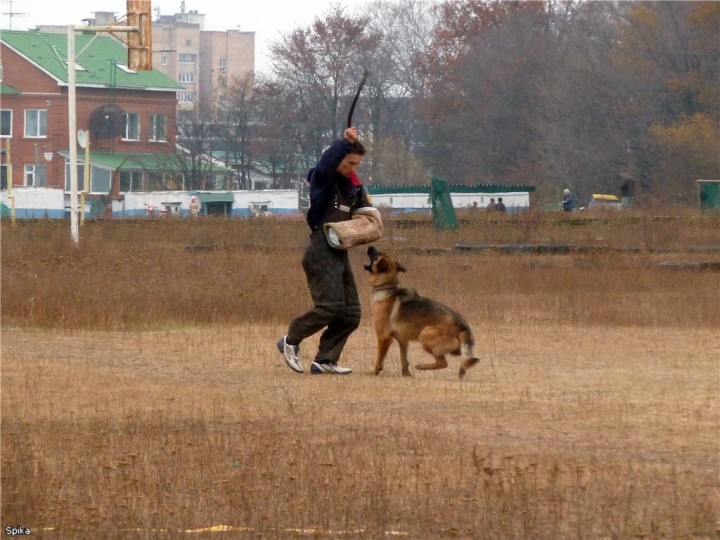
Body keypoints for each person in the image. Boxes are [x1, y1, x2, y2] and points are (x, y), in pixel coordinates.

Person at [276, 126, 373, 375]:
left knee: (351, 312)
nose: (351, 168)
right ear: (337, 157)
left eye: (356, 165)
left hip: (339, 251)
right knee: (330, 307)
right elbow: (325, 166)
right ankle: (290, 340)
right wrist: (343, 142)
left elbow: (365, 213)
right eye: (348, 162)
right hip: (321, 250)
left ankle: (325, 360)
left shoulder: (352, 188)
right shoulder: (323, 182)